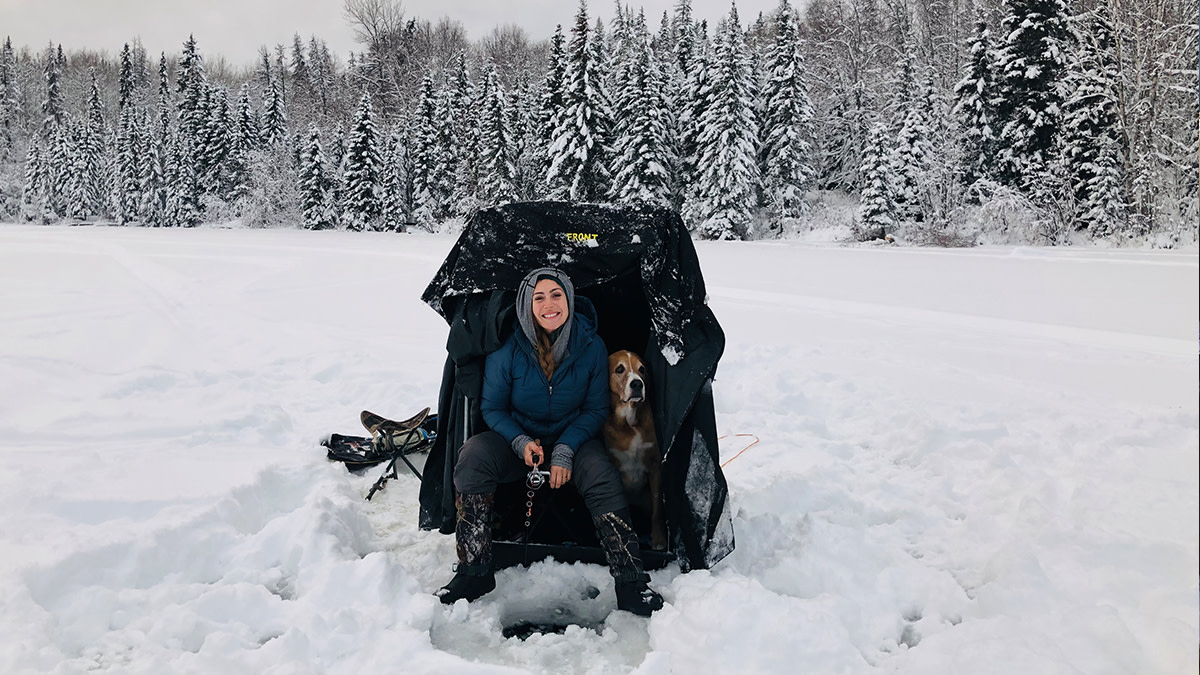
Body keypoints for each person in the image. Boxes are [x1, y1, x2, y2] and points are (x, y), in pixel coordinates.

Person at [435, 266, 665, 616]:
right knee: (474, 456)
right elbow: (492, 407)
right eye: (538, 297)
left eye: (556, 295)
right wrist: (520, 441)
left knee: (601, 473)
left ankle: (630, 581)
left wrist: (565, 448)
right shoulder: (507, 347)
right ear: (527, 305)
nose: (549, 304)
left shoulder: (591, 346)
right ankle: (474, 571)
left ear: (569, 300)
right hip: (518, 440)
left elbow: (595, 409)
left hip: (573, 439)